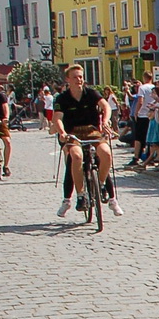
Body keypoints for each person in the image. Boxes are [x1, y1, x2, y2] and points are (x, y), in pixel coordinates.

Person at [50, 63, 120, 218]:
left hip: (92, 131)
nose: (79, 80)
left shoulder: (91, 93)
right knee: (76, 157)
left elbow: (106, 106)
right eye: (75, 77)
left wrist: (106, 120)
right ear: (68, 79)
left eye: (81, 77)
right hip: (73, 133)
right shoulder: (62, 98)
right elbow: (58, 118)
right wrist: (62, 132)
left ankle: (101, 184)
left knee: (106, 154)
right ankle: (81, 194)